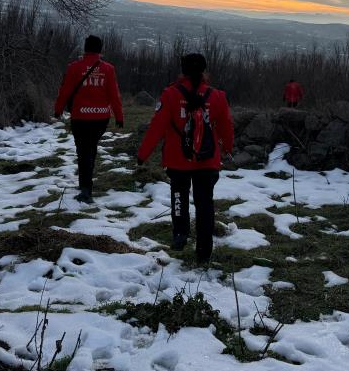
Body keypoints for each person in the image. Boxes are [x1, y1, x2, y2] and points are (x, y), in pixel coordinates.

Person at [136, 53, 234, 264]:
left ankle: (180, 234)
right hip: (207, 160)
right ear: (204, 71)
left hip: (178, 158)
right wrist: (228, 148)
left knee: (179, 194)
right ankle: (204, 251)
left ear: (183, 71)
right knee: (205, 203)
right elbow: (226, 126)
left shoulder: (170, 94)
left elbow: (157, 127)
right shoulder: (217, 96)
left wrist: (143, 154)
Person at [54, 34, 124, 204]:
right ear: (100, 50)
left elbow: (65, 91)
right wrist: (119, 116)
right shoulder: (108, 69)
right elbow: (114, 95)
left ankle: (86, 189)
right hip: (101, 118)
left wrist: (58, 110)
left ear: (85, 48)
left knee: (83, 151)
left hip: (80, 117)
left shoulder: (74, 67)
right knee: (90, 149)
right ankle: (86, 185)